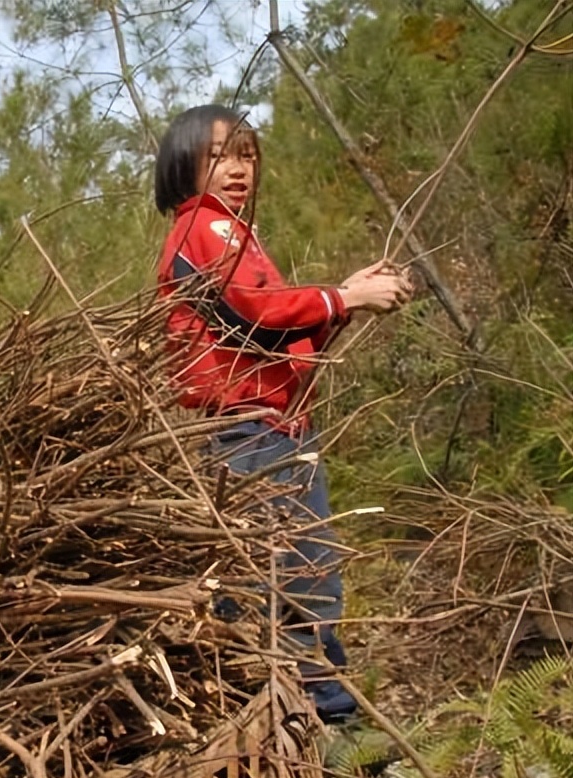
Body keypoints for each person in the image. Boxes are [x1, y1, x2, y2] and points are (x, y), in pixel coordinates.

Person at [153, 104, 412, 723]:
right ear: (183, 163)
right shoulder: (203, 230)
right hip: (251, 433)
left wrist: (341, 304)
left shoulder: (235, 235)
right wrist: (344, 296)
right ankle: (331, 721)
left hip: (270, 431)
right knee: (301, 574)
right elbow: (255, 313)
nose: (237, 168)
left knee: (272, 574)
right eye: (218, 155)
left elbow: (272, 335)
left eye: (246, 154)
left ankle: (279, 710)